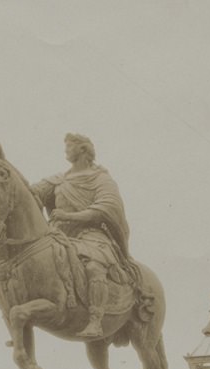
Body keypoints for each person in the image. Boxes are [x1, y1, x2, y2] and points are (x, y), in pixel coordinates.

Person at [30, 133, 134, 338]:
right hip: (59, 235)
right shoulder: (58, 180)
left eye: (70, 146)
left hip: (92, 235)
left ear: (83, 149)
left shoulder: (101, 179)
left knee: (94, 266)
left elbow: (106, 207)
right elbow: (31, 192)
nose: (66, 150)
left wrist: (69, 216)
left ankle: (95, 320)